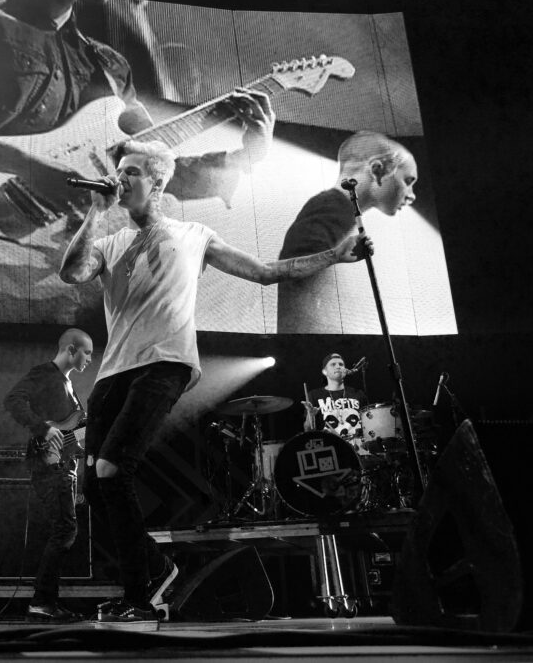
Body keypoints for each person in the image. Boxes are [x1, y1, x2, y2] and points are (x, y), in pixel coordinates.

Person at [59, 139, 372, 622]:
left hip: (164, 364)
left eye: (132, 173)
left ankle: (139, 595)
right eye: (118, 171)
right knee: (94, 489)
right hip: (111, 374)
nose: (120, 179)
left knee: (113, 471)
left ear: (158, 182)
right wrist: (96, 212)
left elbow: (266, 272)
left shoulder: (193, 233)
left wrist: (333, 255)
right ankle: (158, 568)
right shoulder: (107, 242)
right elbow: (72, 272)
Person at [0, 0, 274, 323]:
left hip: (96, 276)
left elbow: (150, 173)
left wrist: (244, 158)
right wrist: (30, 167)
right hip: (0, 280)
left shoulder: (110, 65)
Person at [277, 131, 418, 333]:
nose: (411, 196)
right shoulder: (331, 209)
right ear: (377, 170)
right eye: (408, 181)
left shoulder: (338, 211)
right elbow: (301, 281)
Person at [2, 328, 93, 622]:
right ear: (70, 349)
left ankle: (45, 601)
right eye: (87, 352)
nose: (90, 359)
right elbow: (13, 399)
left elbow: (74, 436)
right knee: (65, 530)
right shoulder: (45, 373)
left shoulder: (69, 387)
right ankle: (42, 601)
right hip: (49, 464)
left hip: (64, 466)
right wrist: (44, 428)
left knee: (64, 530)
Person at [302, 353, 370, 440]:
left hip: (358, 448)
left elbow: (369, 423)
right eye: (333, 364)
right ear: (324, 371)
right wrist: (310, 416)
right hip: (330, 447)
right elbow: (308, 431)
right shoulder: (314, 395)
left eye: (341, 364)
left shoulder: (358, 394)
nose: (338, 366)